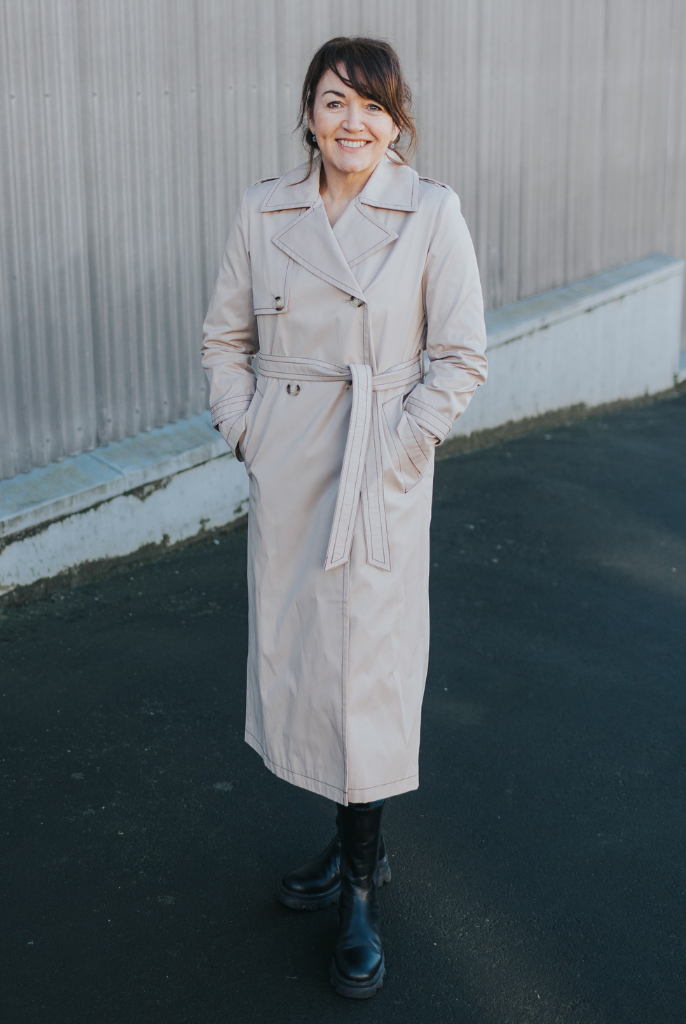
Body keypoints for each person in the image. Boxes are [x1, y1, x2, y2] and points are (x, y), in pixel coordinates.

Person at [201, 36, 488, 999]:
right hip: (290, 466)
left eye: (372, 105)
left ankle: (359, 893)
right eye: (334, 102)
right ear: (310, 114)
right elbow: (224, 338)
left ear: (397, 121)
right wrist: (250, 434)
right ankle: (351, 843)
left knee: (367, 671)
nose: (352, 122)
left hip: (377, 468)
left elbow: (461, 357)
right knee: (312, 665)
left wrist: (398, 452)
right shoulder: (263, 208)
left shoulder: (431, 212)